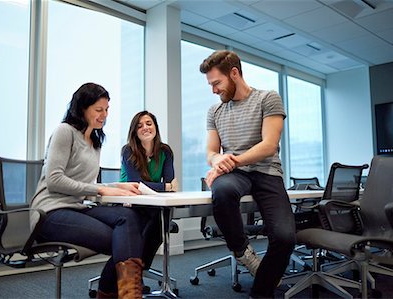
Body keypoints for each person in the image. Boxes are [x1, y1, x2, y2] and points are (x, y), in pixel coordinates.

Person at [30, 83, 144, 299]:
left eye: (107, 109)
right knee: (124, 240)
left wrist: (115, 187)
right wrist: (101, 189)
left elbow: (85, 185)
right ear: (82, 108)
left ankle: (120, 293)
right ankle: (115, 293)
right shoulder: (65, 132)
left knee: (128, 218)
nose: (104, 115)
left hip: (77, 207)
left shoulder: (95, 141)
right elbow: (55, 181)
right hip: (50, 212)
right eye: (98, 110)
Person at [199, 50, 296, 299]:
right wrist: (217, 159)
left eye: (216, 83)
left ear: (234, 73)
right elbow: (211, 150)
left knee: (285, 238)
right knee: (221, 191)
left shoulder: (268, 99)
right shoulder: (215, 111)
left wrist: (230, 161)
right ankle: (242, 251)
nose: (213, 90)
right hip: (237, 175)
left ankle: (261, 292)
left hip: (267, 172)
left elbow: (269, 145)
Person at [120, 111, 177, 288]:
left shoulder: (165, 151)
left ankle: (138, 269)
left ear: (155, 127)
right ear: (134, 131)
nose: (145, 127)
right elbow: (136, 185)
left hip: (153, 203)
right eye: (140, 125)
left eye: (149, 123)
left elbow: (171, 183)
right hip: (128, 202)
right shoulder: (128, 150)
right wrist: (165, 187)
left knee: (162, 220)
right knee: (145, 223)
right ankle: (136, 272)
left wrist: (165, 187)